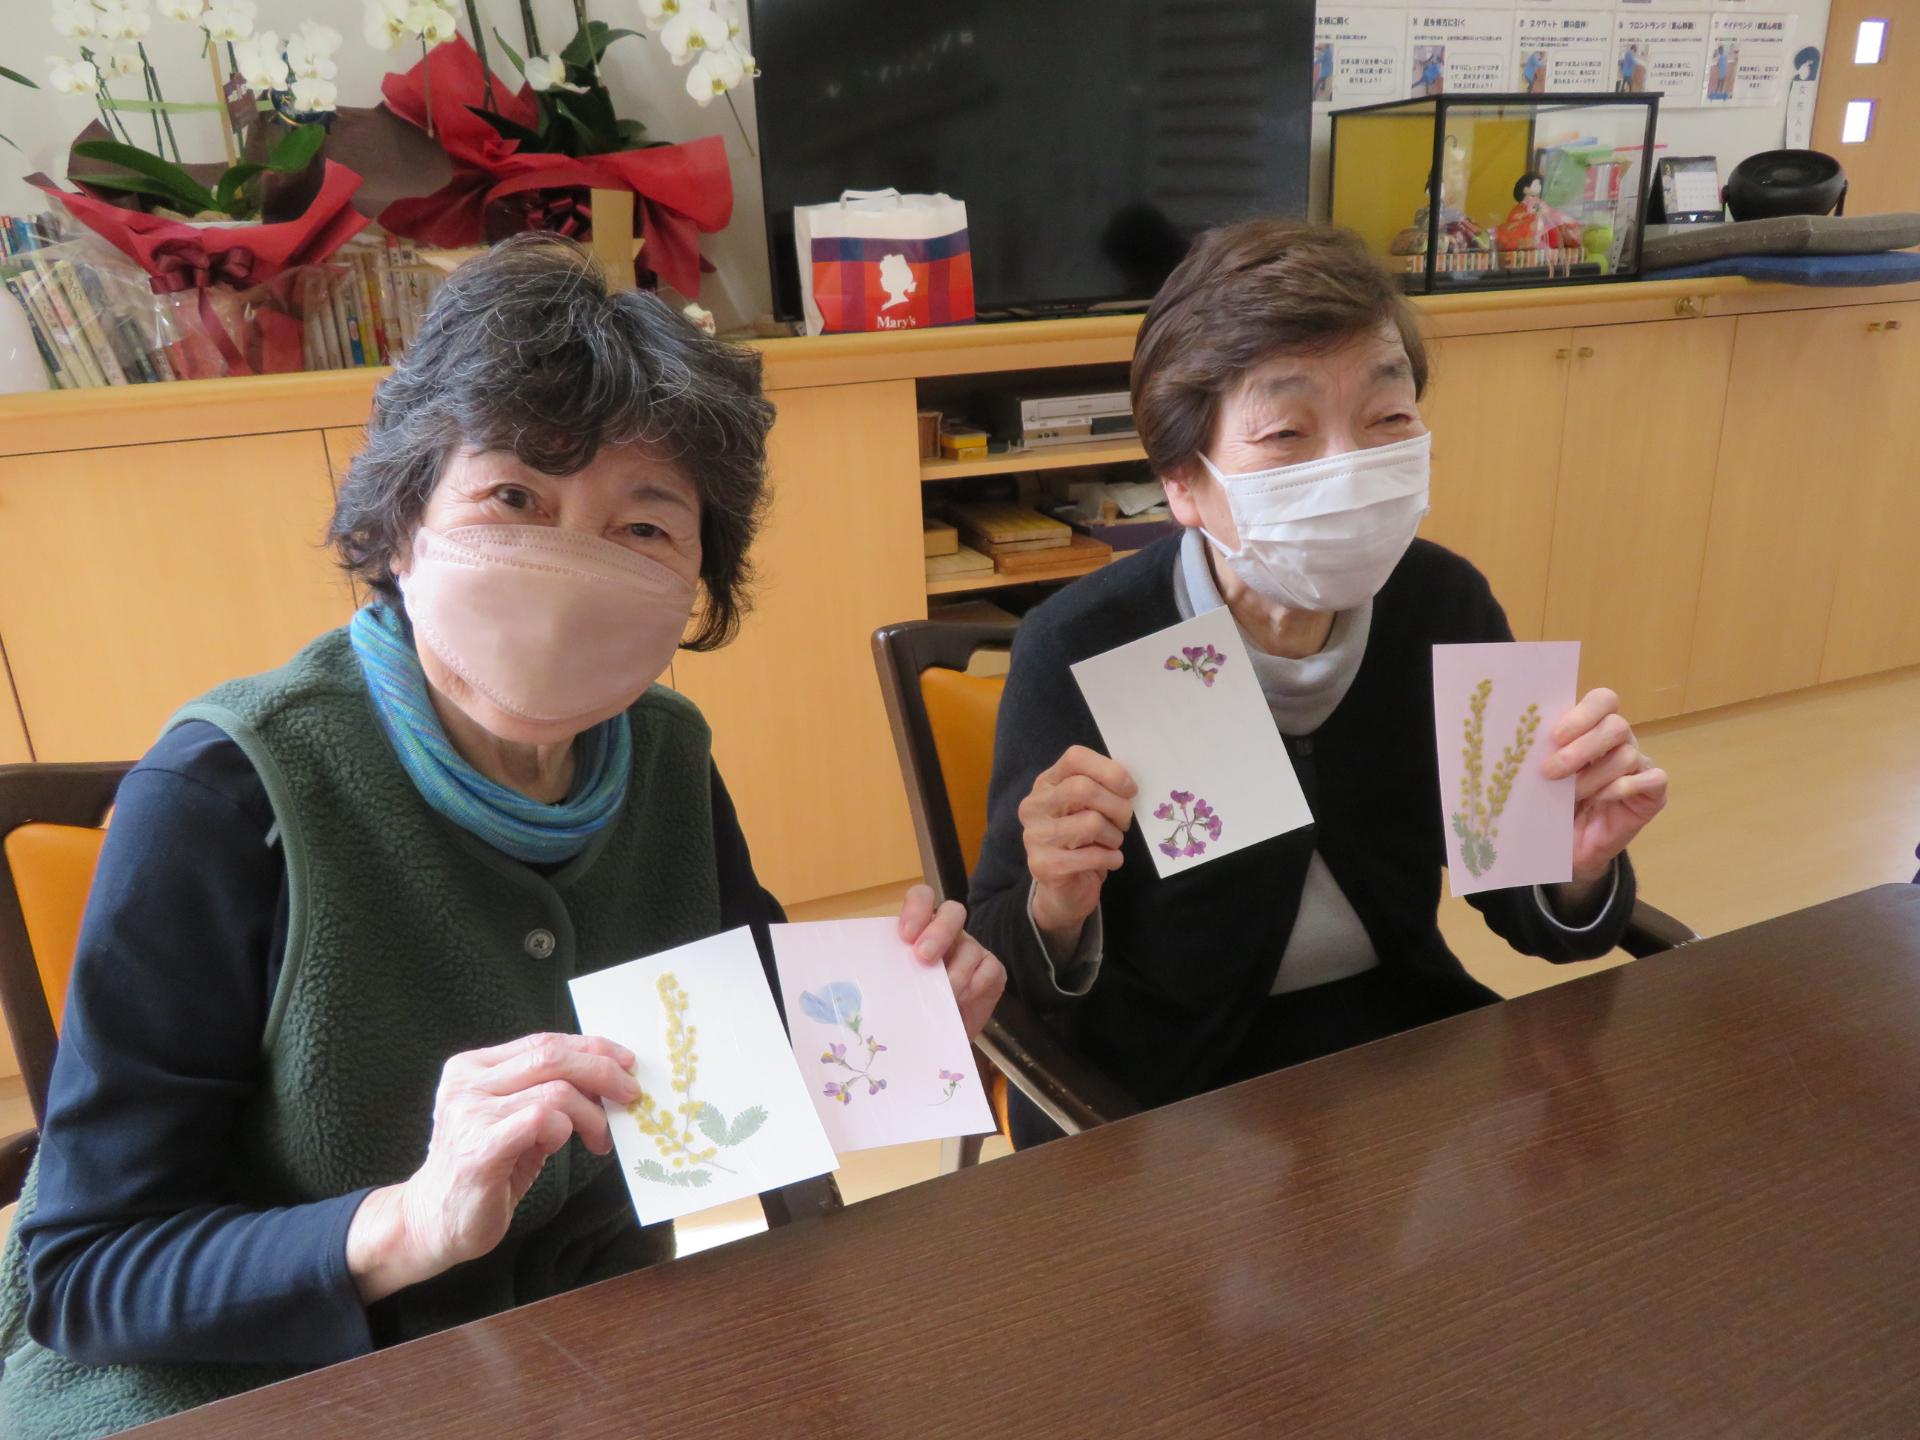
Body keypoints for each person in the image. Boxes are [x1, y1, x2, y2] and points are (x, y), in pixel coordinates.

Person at [0, 236, 1004, 1438]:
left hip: (579, 1359)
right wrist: (412, 1222)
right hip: (242, 1391)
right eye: (515, 499)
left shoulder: (667, 755)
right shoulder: (224, 795)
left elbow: (737, 1059)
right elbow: (87, 1269)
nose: (570, 563)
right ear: (403, 519)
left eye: (643, 528)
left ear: (698, 580)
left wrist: (899, 1023)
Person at [966, 220, 1667, 1149]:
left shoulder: (1442, 603)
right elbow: (1000, 960)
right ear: (1184, 482)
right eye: (1287, 433)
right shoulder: (1084, 642)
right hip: (1166, 1092)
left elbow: (1540, 923)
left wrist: (1573, 868)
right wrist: (1056, 906)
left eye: (1388, 419)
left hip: (1405, 1052)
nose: (1349, 470)